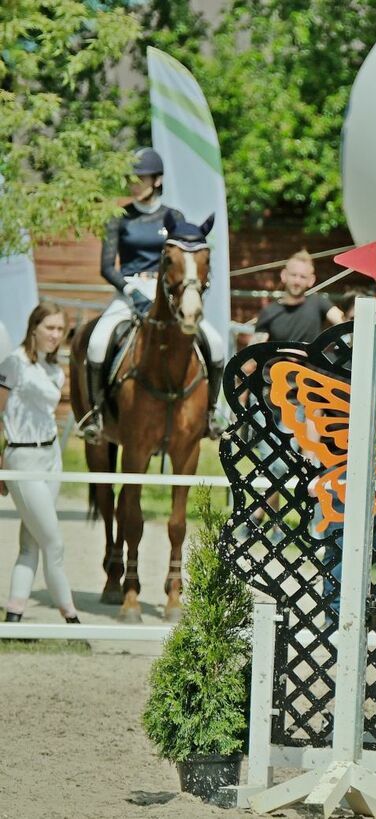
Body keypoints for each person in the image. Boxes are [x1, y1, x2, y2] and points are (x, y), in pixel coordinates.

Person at [83, 147, 226, 442]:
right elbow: (107, 267)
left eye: (141, 178)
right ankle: (96, 415)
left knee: (216, 343)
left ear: (157, 180)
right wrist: (130, 292)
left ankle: (211, 414)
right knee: (97, 342)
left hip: (168, 293)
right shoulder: (119, 218)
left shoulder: (174, 217)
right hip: (130, 290)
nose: (134, 184)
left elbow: (186, 262)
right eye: (132, 178)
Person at [1, 301, 80, 625]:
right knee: (54, 542)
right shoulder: (12, 364)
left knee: (31, 542)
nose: (55, 335)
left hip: (51, 456)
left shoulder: (53, 369)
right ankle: (71, 617)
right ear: (34, 327)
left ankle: (14, 614)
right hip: (22, 456)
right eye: (49, 327)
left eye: (60, 329)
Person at [251, 250, 345, 345]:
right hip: (281, 360)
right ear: (284, 275)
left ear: (311, 280)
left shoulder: (319, 302)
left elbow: (343, 324)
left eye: (303, 277)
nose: (297, 281)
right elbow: (253, 353)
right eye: (293, 275)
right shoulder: (269, 312)